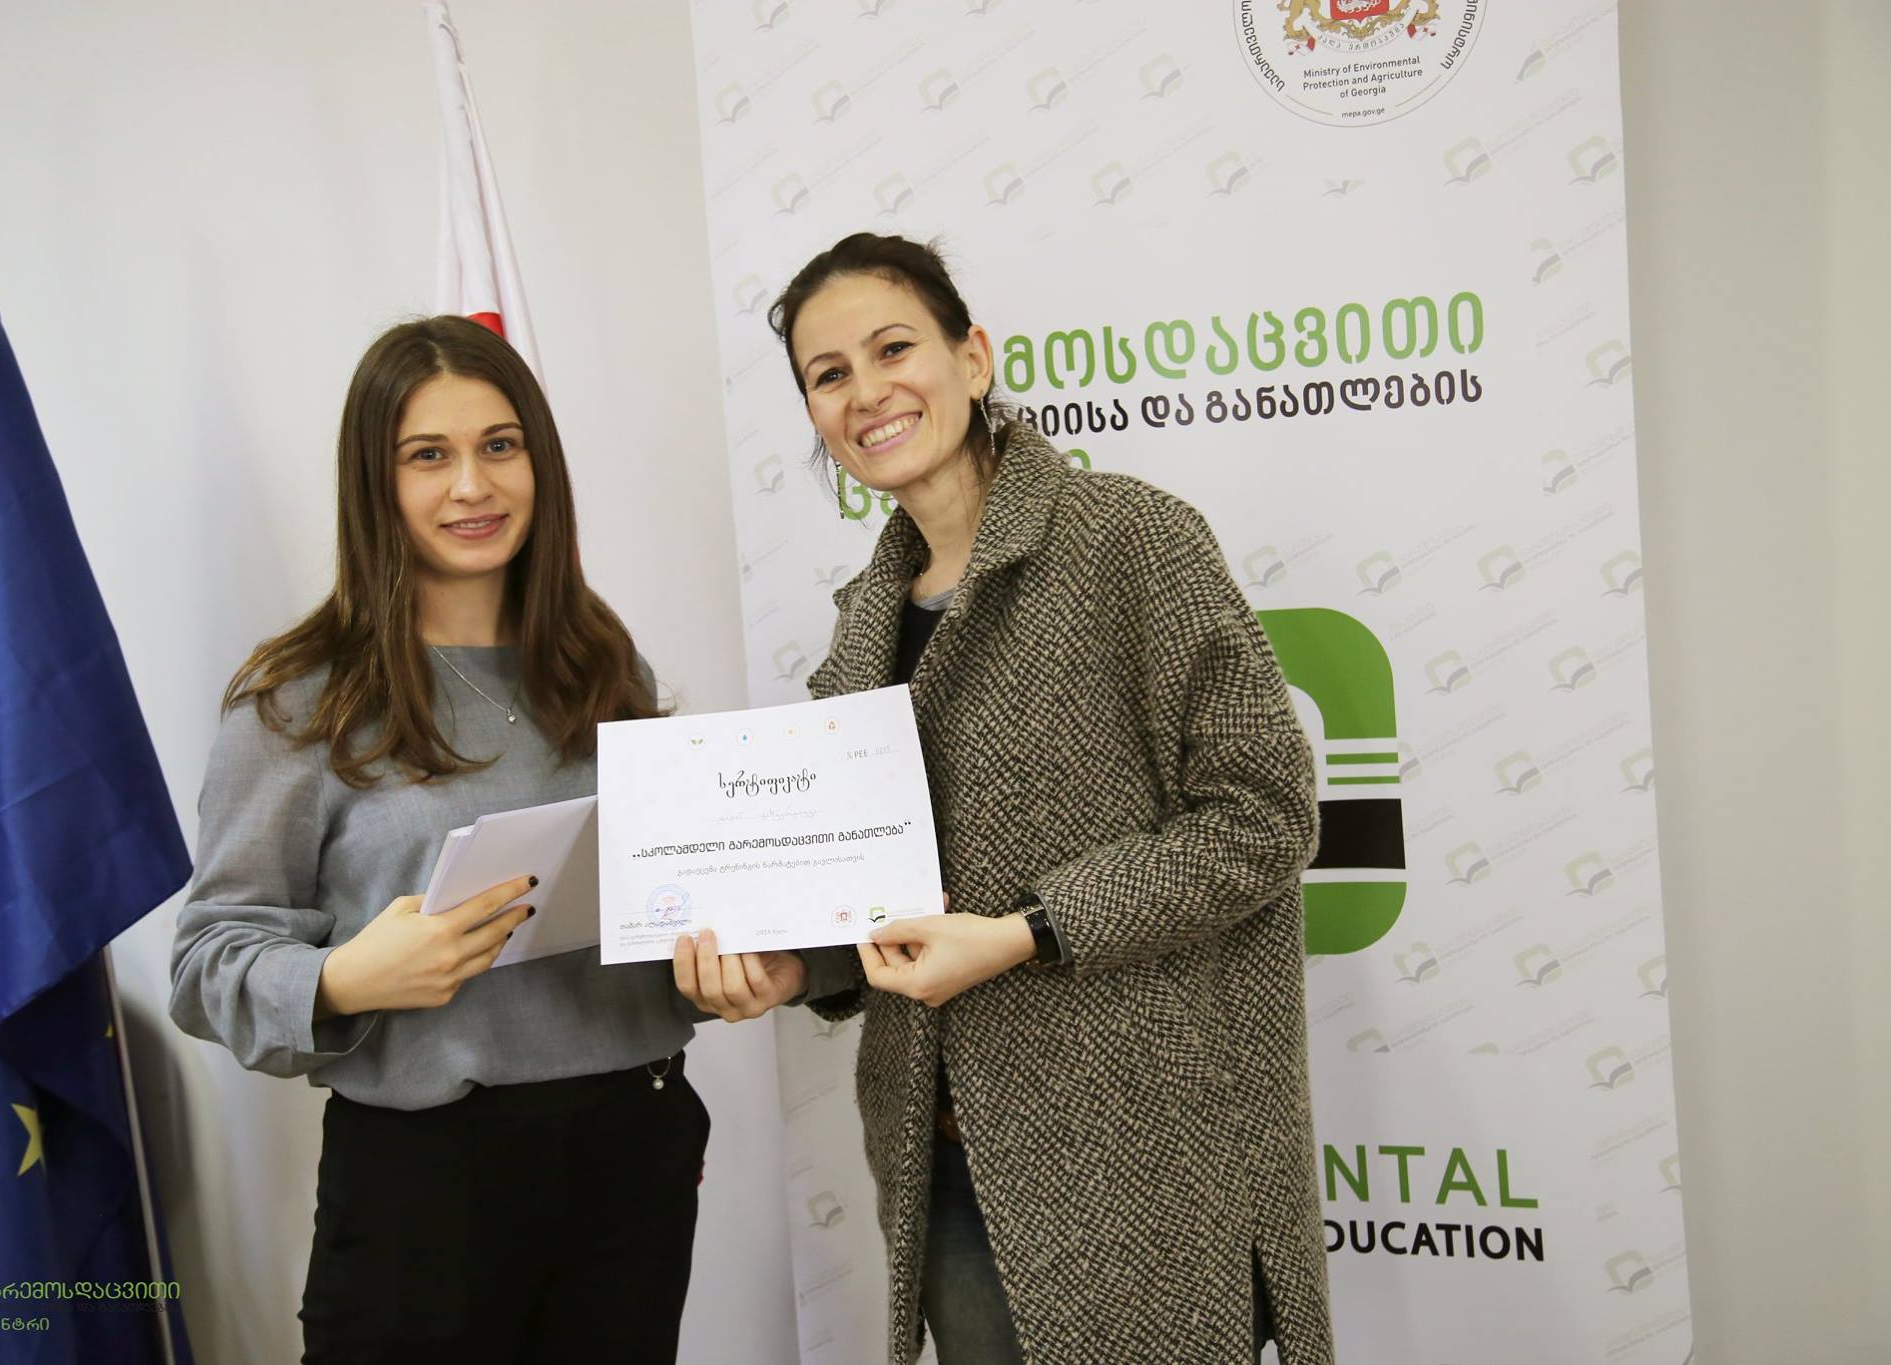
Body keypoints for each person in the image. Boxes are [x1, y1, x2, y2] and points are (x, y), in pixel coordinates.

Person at [674, 234, 1333, 1364]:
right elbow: (874, 895)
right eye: (828, 374)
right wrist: (793, 967)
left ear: (971, 358)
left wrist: (1028, 931)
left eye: (893, 349)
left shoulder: (1130, 538)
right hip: (944, 1159)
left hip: (1145, 1155)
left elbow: (1261, 817)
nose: (865, 391)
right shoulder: (862, 623)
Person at [170, 316, 708, 1363]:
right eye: (428, 455)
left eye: (500, 445)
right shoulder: (299, 701)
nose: (473, 485)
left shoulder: (604, 665)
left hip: (633, 1155)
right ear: (375, 482)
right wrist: (343, 979)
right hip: (426, 1183)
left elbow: (654, 907)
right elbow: (207, 961)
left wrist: (716, 969)